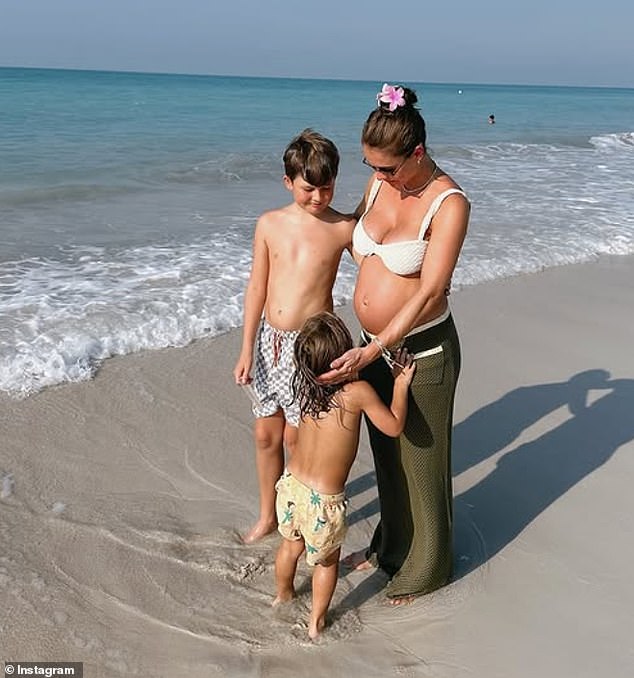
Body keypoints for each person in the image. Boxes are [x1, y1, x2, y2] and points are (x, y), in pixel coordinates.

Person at [320, 83, 470, 604]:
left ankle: (430, 565)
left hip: (420, 352)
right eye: (371, 165)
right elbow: (349, 238)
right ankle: (393, 545)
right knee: (385, 457)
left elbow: (430, 290)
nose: (378, 176)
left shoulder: (449, 203)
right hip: (371, 348)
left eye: (388, 168)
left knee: (422, 462)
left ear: (418, 153)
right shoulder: (379, 185)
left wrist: (378, 343)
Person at [233, 129, 355, 544]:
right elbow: (256, 287)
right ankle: (268, 513)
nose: (319, 198)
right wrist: (246, 347)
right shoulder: (270, 224)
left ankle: (295, 514)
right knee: (267, 434)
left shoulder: (343, 228)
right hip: (270, 343)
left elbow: (379, 261)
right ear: (288, 182)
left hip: (311, 348)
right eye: (308, 189)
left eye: (326, 187)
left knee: (296, 436)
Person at [272, 312, 415, 639]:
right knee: (326, 563)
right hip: (323, 501)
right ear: (344, 357)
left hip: (291, 485)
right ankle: (316, 623)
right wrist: (400, 383)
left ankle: (283, 595)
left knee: (290, 547)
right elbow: (393, 426)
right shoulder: (357, 392)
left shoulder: (306, 385)